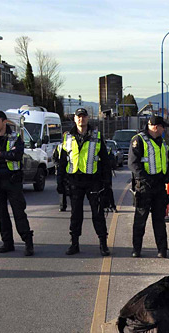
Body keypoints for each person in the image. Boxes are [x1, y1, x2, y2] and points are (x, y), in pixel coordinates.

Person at [56, 107, 113, 256]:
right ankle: (74, 244)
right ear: (74, 119)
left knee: (98, 214)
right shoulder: (67, 136)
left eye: (83, 116)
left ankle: (103, 244)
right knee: (76, 214)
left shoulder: (96, 136)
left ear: (88, 118)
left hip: (93, 180)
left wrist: (107, 183)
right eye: (78, 116)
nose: (81, 119)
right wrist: (59, 181)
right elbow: (62, 161)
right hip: (74, 180)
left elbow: (105, 161)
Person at [0, 110, 34, 256]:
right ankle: (7, 243)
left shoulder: (15, 137)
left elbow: (16, 155)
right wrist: (5, 156)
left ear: (4, 121)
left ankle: (28, 243)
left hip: (12, 181)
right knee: (2, 214)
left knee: (19, 213)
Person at [128, 115, 169, 258]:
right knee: (140, 219)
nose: (164, 129)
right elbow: (133, 164)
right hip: (144, 186)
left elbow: (167, 162)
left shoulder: (162, 142)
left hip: (159, 186)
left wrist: (167, 176)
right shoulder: (138, 140)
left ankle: (162, 249)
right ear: (154, 126)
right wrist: (145, 179)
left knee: (159, 220)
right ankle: (137, 249)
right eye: (162, 126)